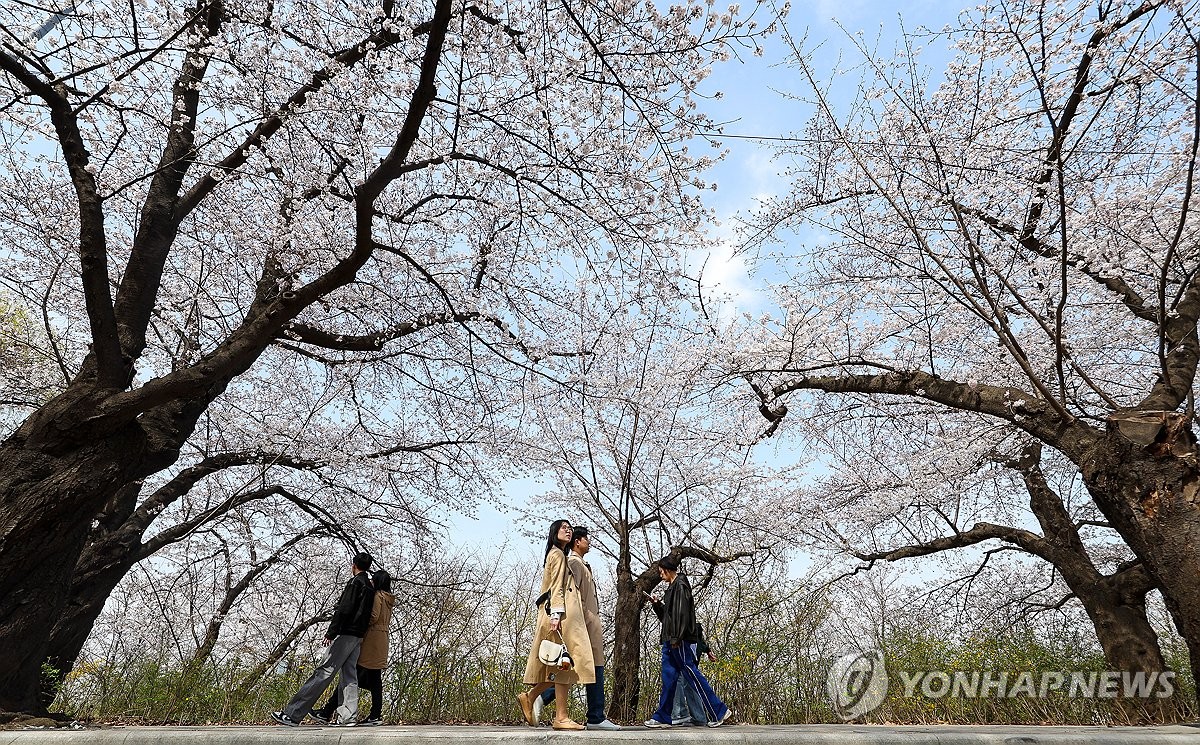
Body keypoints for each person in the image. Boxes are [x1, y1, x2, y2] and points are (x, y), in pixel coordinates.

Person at [271, 552, 376, 727]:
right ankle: (348, 718)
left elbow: (344, 609)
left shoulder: (355, 583)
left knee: (324, 672)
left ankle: (293, 714)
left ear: (354, 565)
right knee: (350, 675)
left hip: (346, 633)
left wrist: (331, 632)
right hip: (358, 636)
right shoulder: (370, 586)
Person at [531, 527, 620, 730]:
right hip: (582, 624)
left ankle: (540, 697)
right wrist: (567, 620)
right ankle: (595, 716)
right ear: (578, 542)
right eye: (586, 539)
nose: (589, 542)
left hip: (588, 622)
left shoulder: (579, 563)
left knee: (578, 667)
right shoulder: (573, 563)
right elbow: (570, 596)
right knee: (584, 666)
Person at [517, 519, 596, 731]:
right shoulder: (558, 554)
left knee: (562, 665)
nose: (569, 531)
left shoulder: (555, 554)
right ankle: (559, 716)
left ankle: (533, 698)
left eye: (570, 529)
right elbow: (557, 588)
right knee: (567, 663)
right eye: (564, 528)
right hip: (560, 616)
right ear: (554, 532)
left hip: (556, 614)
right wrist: (557, 615)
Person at [643, 556, 731, 729]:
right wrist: (657, 605)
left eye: (661, 572)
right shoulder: (671, 589)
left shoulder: (681, 586)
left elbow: (682, 615)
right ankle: (662, 717)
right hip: (670, 640)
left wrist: (677, 638)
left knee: (692, 675)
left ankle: (719, 711)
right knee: (668, 680)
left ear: (667, 570)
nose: (660, 576)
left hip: (679, 640)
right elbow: (667, 619)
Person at [311, 569, 396, 726]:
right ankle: (374, 715)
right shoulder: (389, 599)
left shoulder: (378, 596)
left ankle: (327, 712)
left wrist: (359, 620)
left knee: (350, 675)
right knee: (374, 679)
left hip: (371, 640)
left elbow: (373, 617)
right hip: (381, 640)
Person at [671, 623, 716, 725]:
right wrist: (708, 652)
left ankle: (680, 714)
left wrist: (709, 651)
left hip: (688, 664)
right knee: (689, 686)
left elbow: (702, 643)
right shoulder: (696, 640)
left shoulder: (695, 640)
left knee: (681, 682)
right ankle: (698, 717)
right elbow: (703, 644)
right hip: (689, 665)